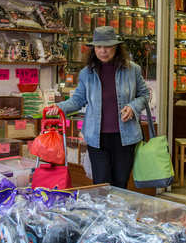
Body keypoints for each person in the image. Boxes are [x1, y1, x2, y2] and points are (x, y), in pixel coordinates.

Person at [46, 26, 149, 188]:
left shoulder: (132, 70)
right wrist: (59, 107)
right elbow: (78, 100)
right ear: (94, 49)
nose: (103, 51)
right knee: (101, 184)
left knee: (120, 183)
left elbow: (144, 95)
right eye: (99, 47)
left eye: (107, 46)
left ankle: (118, 214)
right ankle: (103, 213)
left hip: (126, 137)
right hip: (96, 138)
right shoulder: (87, 73)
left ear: (116, 47)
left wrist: (133, 106)